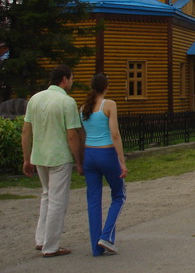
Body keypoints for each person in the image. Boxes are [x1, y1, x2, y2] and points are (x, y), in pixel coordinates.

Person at [21, 64, 83, 258]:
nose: (72, 82)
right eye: (71, 78)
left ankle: (41, 239)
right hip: (59, 156)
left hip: (39, 155)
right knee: (58, 200)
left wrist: (26, 158)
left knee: (47, 196)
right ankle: (51, 246)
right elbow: (72, 135)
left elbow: (26, 131)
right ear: (64, 79)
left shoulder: (35, 99)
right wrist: (79, 161)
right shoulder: (67, 102)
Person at [81, 73, 128, 256]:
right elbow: (114, 134)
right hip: (106, 153)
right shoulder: (109, 104)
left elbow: (82, 133)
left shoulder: (83, 107)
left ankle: (96, 248)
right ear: (106, 87)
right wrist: (122, 162)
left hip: (89, 154)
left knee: (93, 201)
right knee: (118, 195)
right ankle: (106, 236)